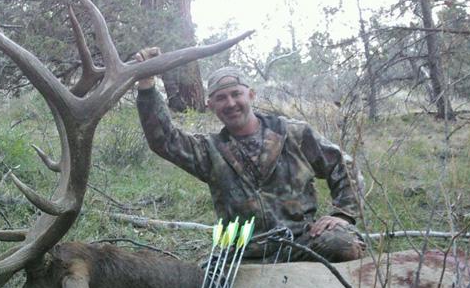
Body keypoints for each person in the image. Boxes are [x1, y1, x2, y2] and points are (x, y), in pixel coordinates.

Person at [134, 48, 366, 263]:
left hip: (301, 243)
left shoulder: (294, 133)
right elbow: (164, 141)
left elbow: (344, 166)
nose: (231, 103)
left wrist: (343, 214)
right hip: (243, 254)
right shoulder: (209, 150)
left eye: (236, 94)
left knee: (343, 243)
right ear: (211, 105)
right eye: (221, 98)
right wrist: (147, 87)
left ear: (251, 95)